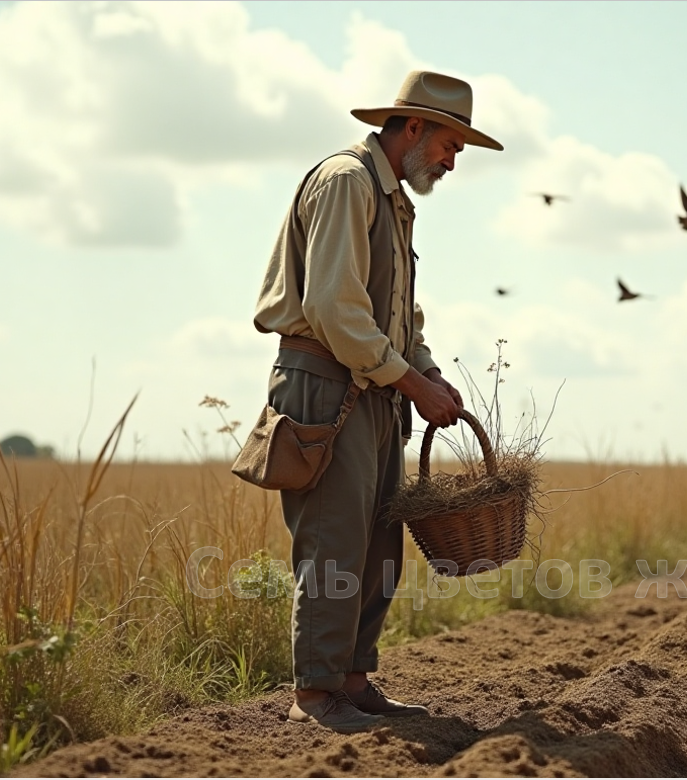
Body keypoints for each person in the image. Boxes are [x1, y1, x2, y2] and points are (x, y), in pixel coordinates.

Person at [251, 70, 504, 732]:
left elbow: (395, 314)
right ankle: (314, 696)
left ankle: (354, 681)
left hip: (373, 388)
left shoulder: (392, 199)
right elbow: (334, 309)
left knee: (377, 544)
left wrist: (425, 371)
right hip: (327, 385)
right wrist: (411, 384)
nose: (454, 162)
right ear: (414, 129)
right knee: (334, 543)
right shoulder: (346, 182)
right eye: (452, 145)